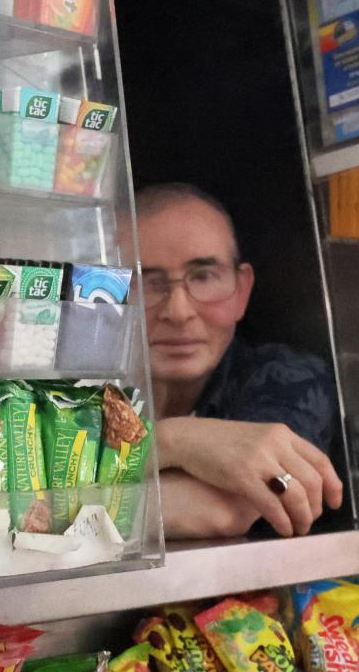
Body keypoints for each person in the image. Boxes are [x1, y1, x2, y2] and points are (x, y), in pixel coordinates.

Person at [134, 183, 344, 540]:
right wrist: (173, 442)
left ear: (242, 290)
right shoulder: (72, 389)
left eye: (203, 276)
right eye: (147, 282)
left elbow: (218, 509)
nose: (178, 312)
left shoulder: (286, 378)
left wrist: (169, 440)